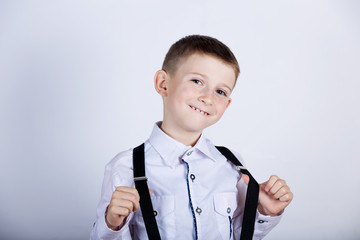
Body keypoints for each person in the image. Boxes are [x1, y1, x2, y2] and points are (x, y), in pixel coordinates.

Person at [90, 35, 293, 240]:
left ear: (227, 104)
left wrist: (264, 212)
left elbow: (240, 234)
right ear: (163, 84)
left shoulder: (232, 164)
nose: (208, 98)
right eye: (197, 81)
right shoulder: (125, 167)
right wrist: (112, 224)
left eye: (221, 91)